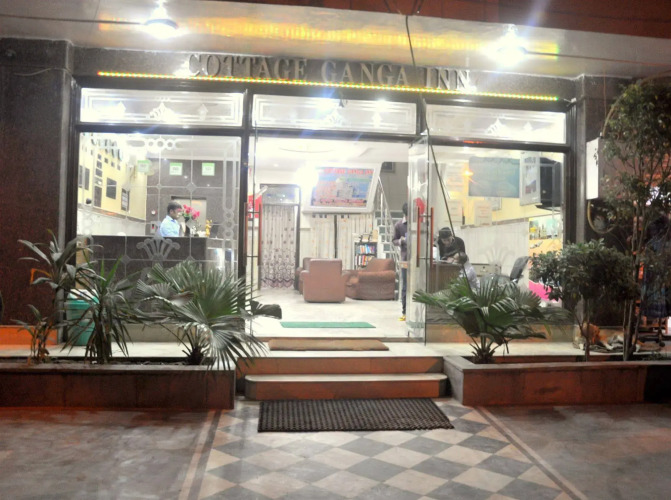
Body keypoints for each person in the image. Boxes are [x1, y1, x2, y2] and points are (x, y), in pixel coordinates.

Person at [392, 202, 408, 321]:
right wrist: (401, 241)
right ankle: (405, 311)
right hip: (406, 259)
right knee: (405, 285)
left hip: (419, 259)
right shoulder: (399, 225)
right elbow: (394, 240)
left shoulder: (420, 224)